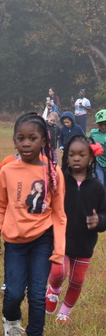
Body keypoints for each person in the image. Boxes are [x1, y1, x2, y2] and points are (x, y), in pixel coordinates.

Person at [0, 112, 66, 336]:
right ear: (14, 141)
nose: (26, 143)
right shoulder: (7, 170)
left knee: (36, 293)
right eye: (20, 138)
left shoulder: (53, 172)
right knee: (13, 292)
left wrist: (58, 249)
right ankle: (11, 319)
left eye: (32, 138)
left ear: (44, 141)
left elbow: (59, 212)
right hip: (14, 241)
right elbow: (0, 204)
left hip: (42, 240)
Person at [45, 135, 106, 322]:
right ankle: (54, 289)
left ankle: (64, 312)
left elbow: (104, 212)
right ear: (67, 157)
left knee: (77, 280)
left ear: (91, 157)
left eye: (81, 154)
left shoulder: (97, 187)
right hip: (61, 238)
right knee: (57, 272)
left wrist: (99, 221)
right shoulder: (59, 180)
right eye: (72, 154)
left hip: (85, 242)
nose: (76, 158)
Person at [89, 109, 106, 186]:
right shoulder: (93, 132)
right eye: (100, 124)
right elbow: (88, 142)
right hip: (98, 163)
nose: (103, 126)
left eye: (105, 124)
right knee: (100, 184)